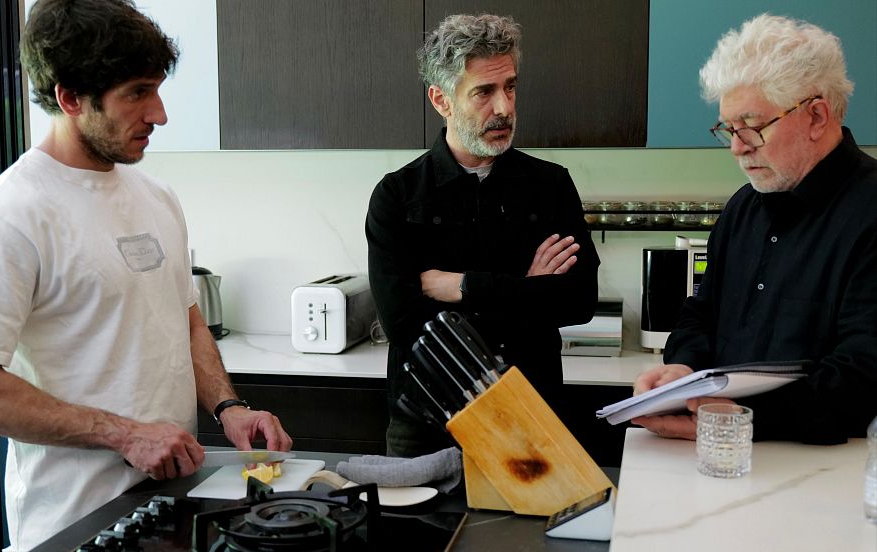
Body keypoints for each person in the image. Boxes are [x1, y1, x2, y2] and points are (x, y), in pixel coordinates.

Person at [0, 0, 291, 552]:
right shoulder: (10, 215)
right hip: (72, 532)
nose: (160, 114)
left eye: (157, 89)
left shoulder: (157, 196)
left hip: (169, 510)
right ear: (70, 98)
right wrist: (124, 434)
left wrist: (229, 409)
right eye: (137, 93)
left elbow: (184, 319)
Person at [632, 14, 877, 444]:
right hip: (722, 452)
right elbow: (699, 315)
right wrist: (683, 368)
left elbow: (862, 375)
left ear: (816, 116)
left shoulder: (870, 211)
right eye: (729, 128)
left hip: (829, 469)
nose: (736, 147)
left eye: (752, 127)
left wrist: (741, 417)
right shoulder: (743, 207)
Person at [366, 14, 599, 457]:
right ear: (441, 100)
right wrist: (527, 290)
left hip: (531, 412)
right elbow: (404, 325)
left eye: (510, 87)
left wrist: (463, 287)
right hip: (428, 423)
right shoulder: (397, 195)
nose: (504, 108)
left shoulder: (549, 185)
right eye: (484, 92)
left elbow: (579, 300)